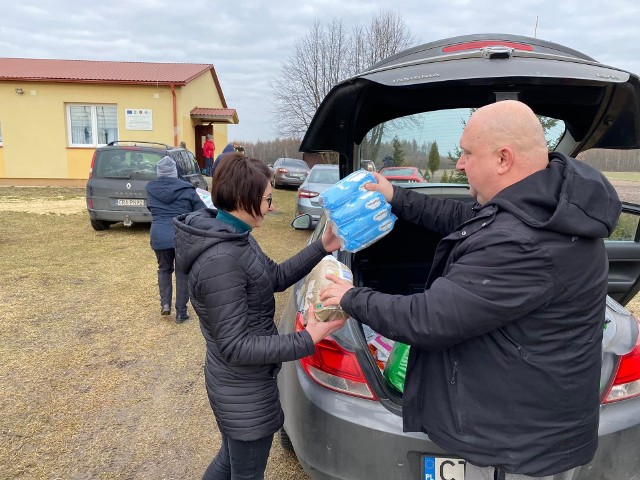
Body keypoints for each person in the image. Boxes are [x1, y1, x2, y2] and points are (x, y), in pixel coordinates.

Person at [319, 100, 622, 480]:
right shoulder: (540, 205)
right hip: (522, 420)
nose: (459, 163)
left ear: (503, 159)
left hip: (520, 449)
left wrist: (350, 297)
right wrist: (395, 195)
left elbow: (427, 320)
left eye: (466, 152)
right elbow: (466, 219)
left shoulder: (524, 245)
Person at [173, 153, 346, 480]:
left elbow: (276, 277)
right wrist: (308, 338)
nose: (271, 207)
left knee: (229, 460)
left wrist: (323, 245)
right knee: (244, 472)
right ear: (242, 199)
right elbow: (236, 346)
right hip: (241, 392)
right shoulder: (222, 260)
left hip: (244, 386)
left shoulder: (235, 237)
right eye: (267, 199)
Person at [146, 156, 206, 323]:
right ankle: (181, 312)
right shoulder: (187, 189)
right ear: (175, 172)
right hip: (181, 235)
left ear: (159, 173)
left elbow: (150, 207)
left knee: (164, 269)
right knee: (182, 272)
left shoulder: (150, 189)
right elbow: (200, 210)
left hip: (159, 234)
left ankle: (165, 304)